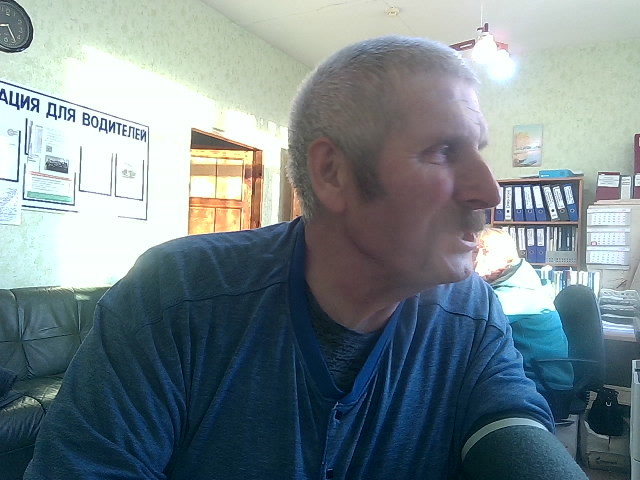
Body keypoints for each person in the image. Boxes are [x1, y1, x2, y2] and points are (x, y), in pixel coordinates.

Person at [24, 36, 587, 479]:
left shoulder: (471, 312)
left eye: (477, 151)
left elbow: (507, 423)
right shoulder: (174, 298)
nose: (489, 191)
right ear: (333, 173)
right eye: (443, 150)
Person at [474, 228, 573, 404]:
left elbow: (472, 322)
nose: (475, 260)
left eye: (481, 253)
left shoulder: (517, 293)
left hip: (543, 385)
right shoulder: (523, 279)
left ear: (501, 256)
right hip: (533, 376)